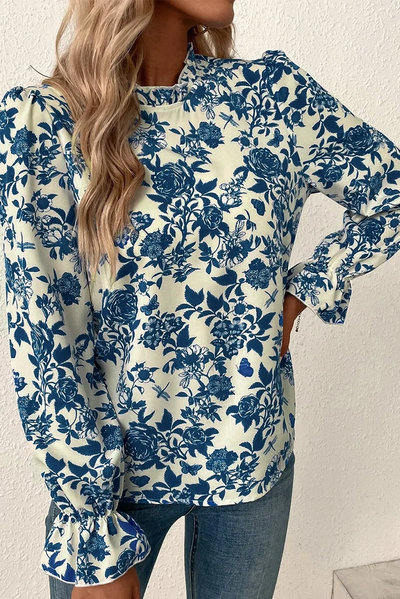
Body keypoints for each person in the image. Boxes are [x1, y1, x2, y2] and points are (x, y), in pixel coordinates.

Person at [1, 1, 400, 598]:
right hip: (114, 480)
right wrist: (91, 524)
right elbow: (43, 340)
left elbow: (390, 190)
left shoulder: (272, 97)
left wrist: (302, 292)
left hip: (250, 455)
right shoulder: (47, 122)